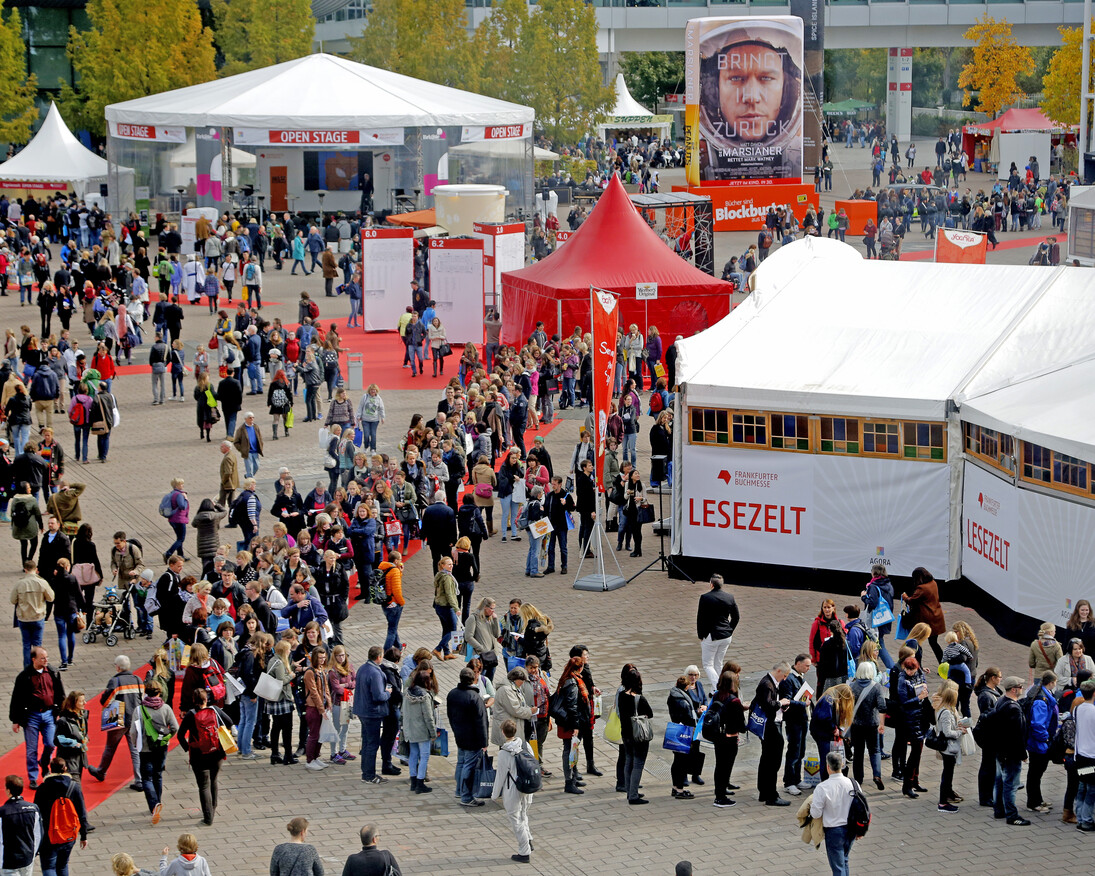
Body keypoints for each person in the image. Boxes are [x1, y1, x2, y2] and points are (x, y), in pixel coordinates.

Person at [175, 688, 233, 825]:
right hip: (217, 753)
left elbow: (180, 735)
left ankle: (208, 817)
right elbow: (229, 721)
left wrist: (188, 747)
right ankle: (212, 808)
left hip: (198, 755)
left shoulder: (191, 715)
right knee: (214, 780)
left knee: (203, 786)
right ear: (206, 699)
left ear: (194, 700)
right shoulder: (215, 710)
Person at [9, 646, 64, 790]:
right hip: (31, 716)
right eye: (43, 658)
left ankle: (44, 763)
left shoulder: (52, 672)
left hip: (49, 714)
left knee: (51, 743)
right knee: (31, 749)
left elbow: (60, 692)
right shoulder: (24, 676)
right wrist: (15, 720)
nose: (46, 660)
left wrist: (59, 710)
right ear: (34, 659)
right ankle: (33, 777)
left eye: (47, 657)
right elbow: (16, 698)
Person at [88, 654, 144, 790]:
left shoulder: (115, 681)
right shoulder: (138, 679)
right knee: (135, 750)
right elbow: (142, 698)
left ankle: (101, 772)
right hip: (135, 717)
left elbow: (106, 701)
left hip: (118, 717)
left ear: (118, 667)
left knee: (110, 747)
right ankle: (139, 780)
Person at [130, 678, 177, 824]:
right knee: (158, 774)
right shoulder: (166, 708)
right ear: (160, 692)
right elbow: (175, 727)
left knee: (146, 778)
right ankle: (158, 801)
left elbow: (133, 731)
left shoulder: (139, 710)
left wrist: (135, 743)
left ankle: (154, 805)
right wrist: (166, 738)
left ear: (146, 692)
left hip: (145, 748)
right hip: (161, 747)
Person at [492, 718, 537, 864]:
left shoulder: (504, 753)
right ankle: (529, 839)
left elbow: (500, 776)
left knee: (515, 818)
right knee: (524, 814)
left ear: (503, 732)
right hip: (528, 787)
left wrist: (494, 795)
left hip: (513, 789)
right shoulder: (526, 746)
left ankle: (524, 851)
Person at [988, 676, 1031, 826]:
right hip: (1010, 753)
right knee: (1011, 784)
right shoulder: (1013, 708)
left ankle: (998, 809)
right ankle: (1012, 815)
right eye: (1020, 686)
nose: (1022, 689)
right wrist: (1023, 754)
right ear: (1014, 689)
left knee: (999, 781)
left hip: (1000, 750)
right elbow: (1017, 734)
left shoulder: (1000, 701)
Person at [34, 758, 88, 876]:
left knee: (49, 867)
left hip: (49, 836)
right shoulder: (73, 787)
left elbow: (36, 815)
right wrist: (83, 835)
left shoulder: (43, 788)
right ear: (65, 768)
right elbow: (82, 813)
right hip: (68, 834)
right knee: (63, 866)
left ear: (50, 769)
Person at [810, 750, 855, 876]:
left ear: (828, 767)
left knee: (838, 867)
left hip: (834, 831)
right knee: (844, 860)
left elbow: (816, 814)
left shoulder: (822, 787)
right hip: (851, 828)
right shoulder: (853, 784)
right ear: (842, 765)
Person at [353, 645, 394, 784]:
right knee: (372, 744)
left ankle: (366, 772)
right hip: (372, 713)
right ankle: (369, 775)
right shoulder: (375, 673)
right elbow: (378, 696)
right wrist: (388, 693)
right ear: (379, 657)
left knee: (366, 742)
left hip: (362, 710)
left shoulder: (362, 668)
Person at [755, 662, 792, 806]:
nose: (784, 679)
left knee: (766, 760)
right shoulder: (767, 684)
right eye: (784, 675)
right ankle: (771, 795)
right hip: (771, 726)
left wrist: (781, 707)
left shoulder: (770, 683)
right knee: (772, 761)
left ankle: (764, 792)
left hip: (772, 724)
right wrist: (780, 703)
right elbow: (768, 705)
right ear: (778, 671)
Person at [615, 664, 652, 804]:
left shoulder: (621, 695)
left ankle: (630, 791)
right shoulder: (639, 699)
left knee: (628, 761)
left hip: (626, 734)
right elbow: (650, 713)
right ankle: (633, 795)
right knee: (638, 764)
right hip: (638, 735)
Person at [696, 574, 739, 690]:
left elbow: (700, 618)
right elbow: (736, 617)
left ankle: (719, 687)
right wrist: (729, 630)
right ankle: (717, 688)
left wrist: (701, 635)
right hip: (726, 636)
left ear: (711, 584)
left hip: (711, 635)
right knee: (718, 663)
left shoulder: (705, 598)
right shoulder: (730, 597)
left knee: (708, 665)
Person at [402, 663, 438, 794]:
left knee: (413, 755)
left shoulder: (406, 694)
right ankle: (420, 782)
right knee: (424, 756)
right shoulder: (425, 696)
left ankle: (413, 781)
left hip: (410, 730)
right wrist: (433, 733)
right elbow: (428, 717)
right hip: (422, 731)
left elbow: (403, 712)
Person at [780, 653, 812, 797]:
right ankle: (789, 783)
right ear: (797, 664)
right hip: (794, 721)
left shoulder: (798, 677)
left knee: (801, 751)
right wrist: (802, 703)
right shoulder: (789, 680)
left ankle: (797, 779)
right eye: (806, 665)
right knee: (794, 751)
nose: (808, 668)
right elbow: (786, 700)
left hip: (802, 719)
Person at [11, 558, 53, 667]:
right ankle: (37, 667)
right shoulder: (42, 582)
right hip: (38, 617)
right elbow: (51, 598)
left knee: (26, 645)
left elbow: (12, 600)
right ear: (36, 569)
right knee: (37, 645)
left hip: (24, 618)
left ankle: (27, 668)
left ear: (25, 570)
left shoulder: (19, 583)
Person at [900, 566, 946, 664]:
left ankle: (917, 664)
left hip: (926, 620)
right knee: (934, 643)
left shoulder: (922, 588)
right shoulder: (933, 583)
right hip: (936, 617)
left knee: (917, 642)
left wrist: (905, 597)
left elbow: (911, 601)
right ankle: (943, 665)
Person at [0, 774, 42, 876]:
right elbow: (38, 835)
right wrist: (32, 854)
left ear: (8, 791)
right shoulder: (33, 808)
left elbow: (0, 840)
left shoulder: (2, 812)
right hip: (27, 858)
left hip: (8, 862)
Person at [667, 675, 699, 800]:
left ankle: (675, 787)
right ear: (686, 687)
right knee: (681, 762)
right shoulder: (683, 702)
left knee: (676, 761)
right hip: (684, 733)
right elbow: (689, 719)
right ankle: (680, 790)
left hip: (675, 729)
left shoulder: (672, 696)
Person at [861, 564, 896, 669]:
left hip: (875, 620)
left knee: (879, 645)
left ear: (874, 573)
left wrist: (863, 597)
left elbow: (872, 603)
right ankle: (874, 665)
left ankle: (893, 669)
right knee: (877, 643)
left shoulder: (873, 586)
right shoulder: (888, 584)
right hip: (884, 619)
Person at [1073, 679, 1095, 831]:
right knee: (1092, 789)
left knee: (1082, 786)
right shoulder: (1094, 711)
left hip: (1080, 756)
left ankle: (1080, 817)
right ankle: (1086, 820)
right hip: (1092, 757)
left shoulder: (1077, 709)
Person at [431, 556, 459, 661]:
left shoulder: (440, 575)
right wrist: (456, 608)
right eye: (449, 564)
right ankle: (438, 649)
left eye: (452, 564)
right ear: (443, 565)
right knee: (453, 630)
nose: (451, 566)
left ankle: (447, 653)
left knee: (446, 629)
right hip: (446, 607)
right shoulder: (447, 577)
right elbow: (449, 594)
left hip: (439, 606)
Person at [232, 411, 264, 479]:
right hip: (247, 452)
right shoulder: (241, 429)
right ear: (245, 419)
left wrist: (261, 445)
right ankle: (250, 481)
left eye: (253, 418)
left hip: (255, 450)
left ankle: (248, 476)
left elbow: (260, 437)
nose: (252, 419)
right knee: (249, 468)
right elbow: (236, 442)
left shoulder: (256, 427)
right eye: (250, 418)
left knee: (256, 466)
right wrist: (242, 449)